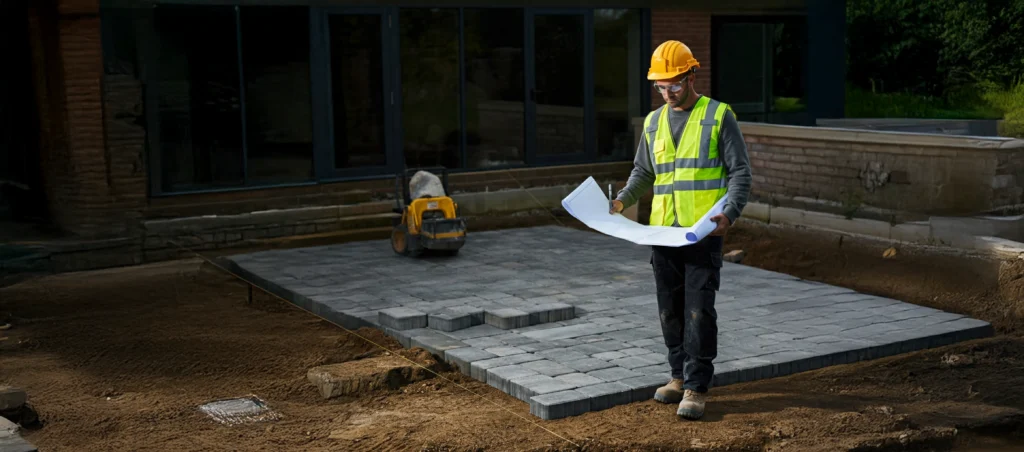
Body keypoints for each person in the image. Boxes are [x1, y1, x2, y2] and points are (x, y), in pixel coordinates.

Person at [610, 40, 752, 420]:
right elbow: (644, 172)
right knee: (669, 311)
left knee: (698, 312)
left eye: (674, 84)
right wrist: (621, 201)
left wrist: (730, 213)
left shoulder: (719, 116)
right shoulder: (654, 121)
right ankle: (677, 376)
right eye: (660, 86)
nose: (668, 93)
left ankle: (696, 387)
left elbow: (740, 172)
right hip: (662, 235)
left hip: (703, 234)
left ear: (692, 76)